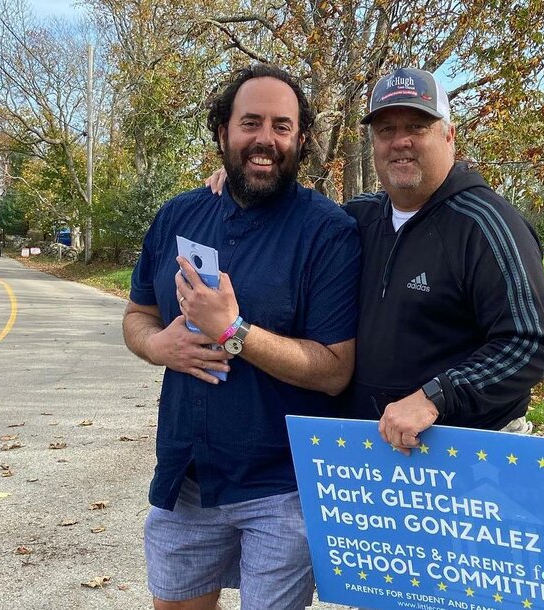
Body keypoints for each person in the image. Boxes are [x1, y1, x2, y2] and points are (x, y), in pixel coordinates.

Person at [207, 67, 544, 454]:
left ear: (449, 135)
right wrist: (247, 169)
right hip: (372, 456)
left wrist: (434, 397)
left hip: (464, 456)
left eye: (417, 127)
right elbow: (293, 213)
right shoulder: (359, 218)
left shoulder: (487, 224)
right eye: (386, 130)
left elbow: (527, 345)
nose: (399, 141)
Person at [123, 64, 360, 610]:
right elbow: (138, 314)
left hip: (281, 487)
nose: (265, 139)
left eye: (282, 126)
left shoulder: (328, 232)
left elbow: (333, 369)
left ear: (301, 139)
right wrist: (156, 345)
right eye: (250, 122)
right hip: (186, 477)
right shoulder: (178, 215)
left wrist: (232, 332)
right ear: (223, 131)